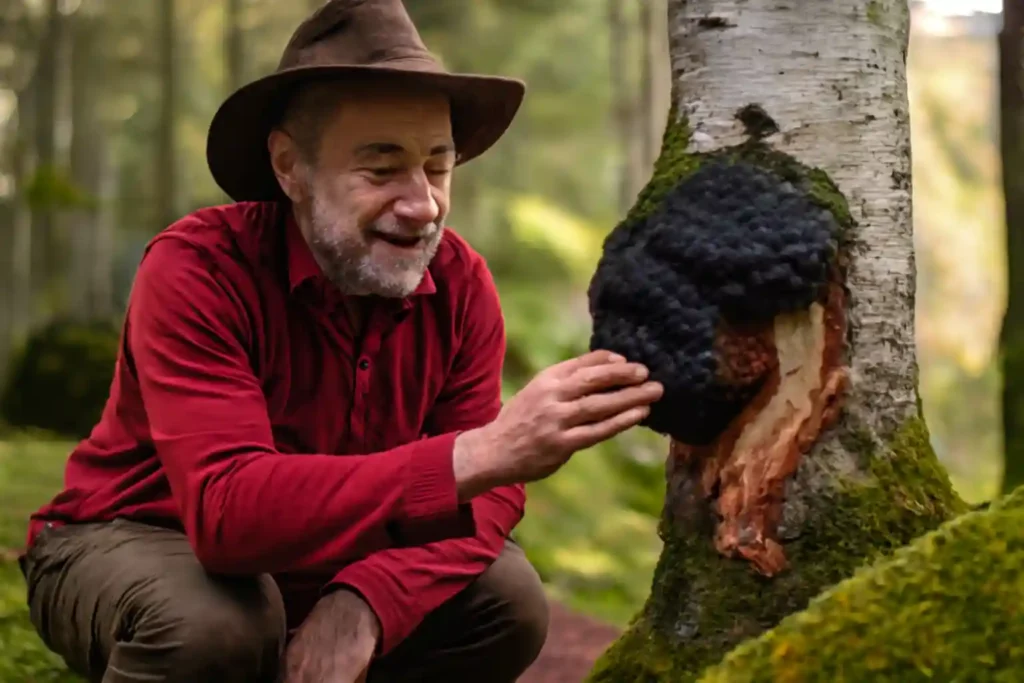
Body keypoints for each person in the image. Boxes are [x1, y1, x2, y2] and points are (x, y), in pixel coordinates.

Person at [18, 1, 664, 682]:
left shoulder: (462, 284)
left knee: (507, 601)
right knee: (221, 624)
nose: (422, 204)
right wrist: (483, 452)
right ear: (289, 166)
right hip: (137, 535)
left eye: (437, 168)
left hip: (327, 561)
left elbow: (489, 498)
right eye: (381, 170)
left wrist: (367, 601)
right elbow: (227, 512)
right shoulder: (197, 268)